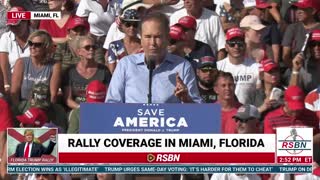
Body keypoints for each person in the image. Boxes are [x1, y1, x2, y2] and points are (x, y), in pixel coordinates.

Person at [106, 12, 202, 103]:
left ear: (167, 38)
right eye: (147, 37)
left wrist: (187, 100)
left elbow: (199, 111)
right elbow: (112, 104)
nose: (152, 43)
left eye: (158, 37)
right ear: (141, 39)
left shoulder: (183, 67)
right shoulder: (126, 65)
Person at [10, 30, 61, 105]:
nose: (32, 47)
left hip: (44, 107)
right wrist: (18, 111)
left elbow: (53, 96)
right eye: (30, 43)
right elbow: (14, 93)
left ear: (46, 47)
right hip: (24, 106)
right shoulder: (21, 63)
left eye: (37, 45)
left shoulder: (55, 65)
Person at [64, 36, 111, 109]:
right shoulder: (70, 71)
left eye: (93, 47)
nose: (91, 49)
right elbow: (68, 100)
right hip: (77, 110)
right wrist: (83, 108)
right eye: (87, 47)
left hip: (99, 109)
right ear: (79, 51)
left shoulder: (104, 70)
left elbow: (109, 97)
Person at [217, 27, 260, 104]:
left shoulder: (256, 67)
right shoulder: (218, 67)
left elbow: (259, 94)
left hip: (248, 113)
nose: (236, 47)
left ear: (245, 45)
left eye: (240, 43)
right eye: (232, 44)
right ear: (226, 47)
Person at [0, 6, 32, 94]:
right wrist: (7, 85)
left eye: (17, 25)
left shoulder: (37, 36)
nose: (14, 29)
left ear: (26, 21)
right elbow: (4, 64)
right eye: (11, 26)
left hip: (31, 80)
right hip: (11, 81)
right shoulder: (6, 37)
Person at [282, 0, 320, 67]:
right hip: (297, 68)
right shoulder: (292, 28)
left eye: (302, 9)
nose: (298, 12)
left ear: (313, 11)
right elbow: (285, 57)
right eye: (297, 8)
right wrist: (296, 70)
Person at [107, 9, 143, 73]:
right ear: (122, 26)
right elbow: (112, 72)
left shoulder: (144, 46)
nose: (132, 27)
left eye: (135, 25)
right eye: (128, 24)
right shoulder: (114, 46)